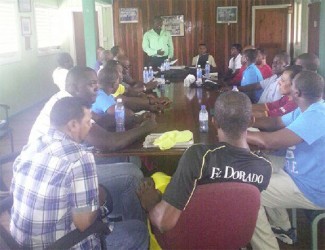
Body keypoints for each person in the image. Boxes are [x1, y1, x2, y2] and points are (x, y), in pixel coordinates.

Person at [10, 97, 148, 249]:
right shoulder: (80, 157)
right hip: (62, 245)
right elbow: (84, 223)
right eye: (88, 122)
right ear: (73, 125)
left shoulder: (32, 146)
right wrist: (101, 202)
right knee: (138, 230)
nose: (90, 126)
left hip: (21, 243)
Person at [28, 66, 156, 223]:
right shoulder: (69, 106)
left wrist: (135, 119)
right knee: (131, 172)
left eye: (97, 82)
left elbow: (100, 121)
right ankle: (134, 226)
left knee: (131, 158)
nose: (97, 87)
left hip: (52, 166)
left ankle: (119, 215)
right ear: (74, 87)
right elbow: (109, 143)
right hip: (56, 174)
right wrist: (146, 128)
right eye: (91, 84)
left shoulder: (70, 100)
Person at [137, 91, 272, 233]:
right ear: (251, 121)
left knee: (155, 179)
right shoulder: (265, 167)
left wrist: (149, 202)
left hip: (190, 235)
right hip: (232, 235)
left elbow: (163, 222)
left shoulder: (199, 156)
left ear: (214, 122)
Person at [247, 71, 325, 250]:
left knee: (249, 191)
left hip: (312, 189)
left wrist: (236, 132)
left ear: (296, 93)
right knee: (257, 167)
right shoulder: (308, 108)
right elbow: (276, 123)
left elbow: (269, 141)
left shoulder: (317, 116)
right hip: (298, 173)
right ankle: (284, 228)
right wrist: (249, 122)